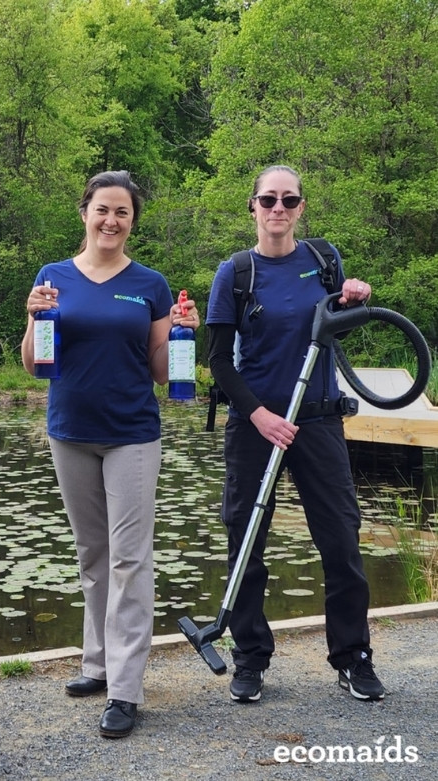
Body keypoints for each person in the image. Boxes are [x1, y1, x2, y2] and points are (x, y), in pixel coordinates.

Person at [21, 170, 199, 738]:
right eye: (103, 209)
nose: (111, 220)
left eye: (122, 212)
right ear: (85, 213)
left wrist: (183, 334)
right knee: (92, 553)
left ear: (132, 221)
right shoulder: (51, 278)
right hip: (69, 431)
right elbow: (33, 364)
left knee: (129, 559)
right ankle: (96, 664)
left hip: (131, 434)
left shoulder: (150, 284)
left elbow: (160, 372)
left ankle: (125, 688)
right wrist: (33, 316)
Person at [205, 164, 385, 704]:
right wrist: (260, 415)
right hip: (255, 425)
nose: (278, 208)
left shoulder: (324, 261)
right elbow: (219, 361)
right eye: (268, 199)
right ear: (253, 207)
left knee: (341, 541)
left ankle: (352, 658)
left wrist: (354, 298)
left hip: (318, 420)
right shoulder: (235, 273)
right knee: (246, 542)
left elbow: (342, 324)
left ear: (301, 207)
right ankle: (250, 658)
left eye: (288, 200)